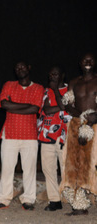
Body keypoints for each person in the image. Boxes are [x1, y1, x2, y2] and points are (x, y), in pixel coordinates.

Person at [0, 61, 44, 210]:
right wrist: (26, 106)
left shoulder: (38, 88)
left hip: (30, 135)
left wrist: (14, 105)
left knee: (30, 169)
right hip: (10, 134)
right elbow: (4, 104)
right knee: (7, 168)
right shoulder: (9, 85)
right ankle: (3, 199)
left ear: (29, 67)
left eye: (23, 66)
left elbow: (35, 109)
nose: (20, 69)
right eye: (17, 67)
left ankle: (28, 200)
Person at [60, 52, 97, 215]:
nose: (87, 62)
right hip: (76, 125)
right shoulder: (74, 82)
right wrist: (82, 117)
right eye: (84, 60)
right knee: (75, 164)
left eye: (90, 60)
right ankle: (79, 204)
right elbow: (67, 105)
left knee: (95, 163)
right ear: (80, 63)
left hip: (96, 124)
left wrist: (91, 120)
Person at [38, 66, 70, 211]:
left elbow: (67, 107)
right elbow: (47, 110)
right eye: (51, 74)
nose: (53, 76)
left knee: (66, 168)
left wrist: (56, 91)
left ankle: (70, 198)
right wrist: (62, 107)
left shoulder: (70, 90)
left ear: (62, 75)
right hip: (47, 134)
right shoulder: (46, 91)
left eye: (56, 74)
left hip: (65, 135)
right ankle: (54, 200)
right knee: (48, 168)